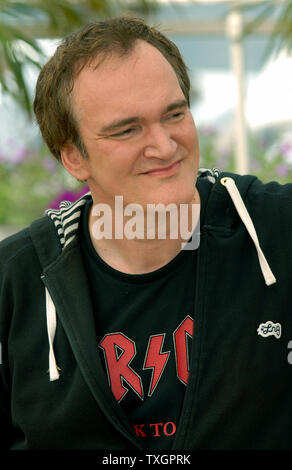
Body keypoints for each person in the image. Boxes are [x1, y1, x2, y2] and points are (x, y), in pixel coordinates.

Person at [0, 15, 292, 452]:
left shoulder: (276, 231)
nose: (165, 146)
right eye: (127, 129)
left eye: (174, 114)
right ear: (73, 157)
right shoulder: (16, 282)